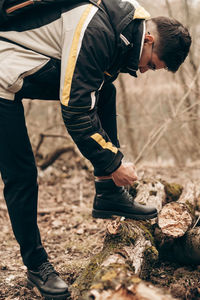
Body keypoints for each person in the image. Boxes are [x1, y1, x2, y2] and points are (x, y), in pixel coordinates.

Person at [0, 0, 191, 298]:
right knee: (22, 175)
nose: (143, 71)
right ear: (149, 39)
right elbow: (76, 112)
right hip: (2, 78)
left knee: (105, 89)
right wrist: (114, 162)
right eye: (151, 64)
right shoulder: (98, 28)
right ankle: (37, 266)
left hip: (25, 67)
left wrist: (109, 168)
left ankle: (108, 194)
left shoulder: (124, 24)